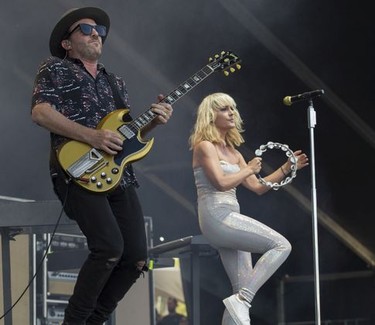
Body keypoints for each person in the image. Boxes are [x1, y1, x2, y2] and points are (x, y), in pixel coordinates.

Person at [31, 7, 173, 325]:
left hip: (119, 176)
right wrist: (91, 136)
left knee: (136, 258)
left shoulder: (114, 81)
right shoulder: (54, 68)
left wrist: (152, 123)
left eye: (100, 31)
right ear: (67, 43)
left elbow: (127, 135)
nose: (96, 33)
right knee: (109, 247)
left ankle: (93, 321)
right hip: (77, 169)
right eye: (85, 28)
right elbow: (40, 113)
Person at [188, 93, 309, 325]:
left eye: (232, 108)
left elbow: (257, 187)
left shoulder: (234, 153)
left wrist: (286, 168)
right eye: (224, 109)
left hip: (231, 217)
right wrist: (248, 169)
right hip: (216, 215)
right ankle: (244, 299)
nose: (231, 112)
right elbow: (221, 183)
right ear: (211, 115)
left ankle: (240, 301)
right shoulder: (204, 146)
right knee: (281, 245)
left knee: (241, 289)